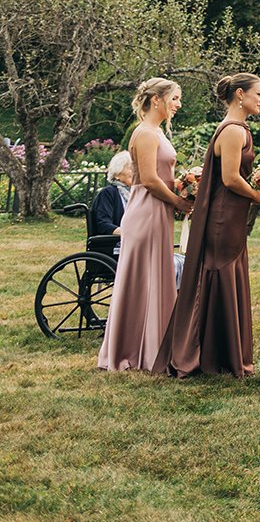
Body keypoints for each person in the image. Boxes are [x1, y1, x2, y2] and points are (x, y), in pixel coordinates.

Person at [154, 73, 260, 377]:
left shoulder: (239, 128)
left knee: (225, 274)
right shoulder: (233, 131)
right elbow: (231, 178)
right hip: (223, 215)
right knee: (219, 274)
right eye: (259, 94)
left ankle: (219, 352)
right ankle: (209, 354)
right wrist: (259, 195)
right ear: (240, 95)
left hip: (230, 214)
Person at [98, 79, 191, 371]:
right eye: (174, 98)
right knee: (142, 279)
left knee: (154, 276)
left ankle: (153, 345)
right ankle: (134, 350)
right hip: (147, 210)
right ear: (156, 100)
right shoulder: (147, 133)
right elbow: (150, 180)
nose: (178, 104)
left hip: (156, 210)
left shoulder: (156, 132)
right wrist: (178, 201)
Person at [91, 150, 134, 251]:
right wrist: (128, 233)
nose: (135, 171)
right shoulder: (108, 193)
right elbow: (103, 224)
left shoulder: (134, 194)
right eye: (130, 168)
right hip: (114, 246)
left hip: (132, 244)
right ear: (117, 174)